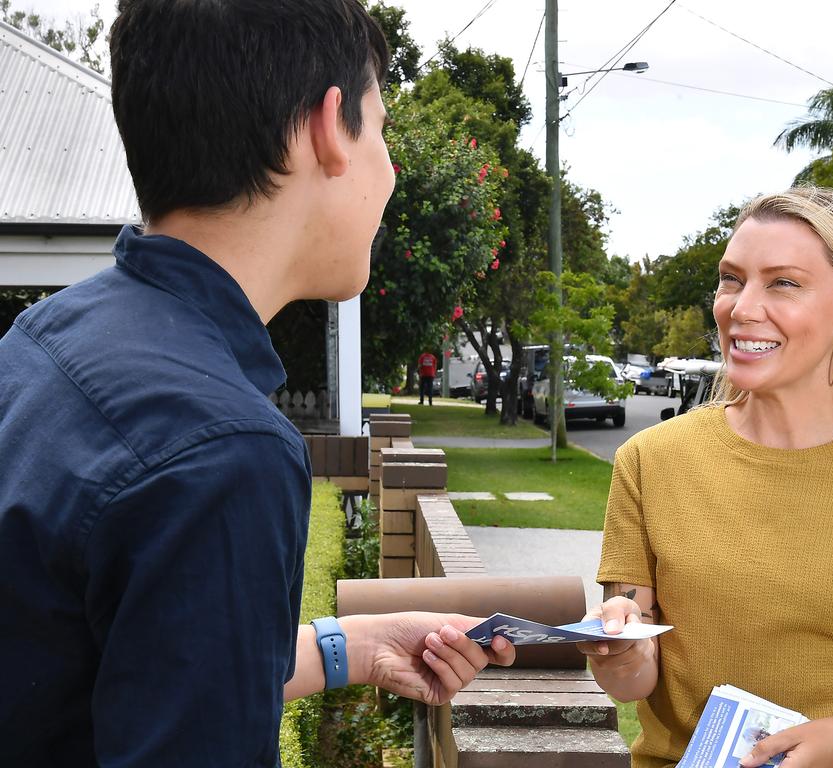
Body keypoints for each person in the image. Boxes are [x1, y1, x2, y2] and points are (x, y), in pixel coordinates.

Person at [0, 1, 514, 765]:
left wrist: (357, 645)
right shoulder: (221, 453)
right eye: (381, 129)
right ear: (324, 128)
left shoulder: (45, 336)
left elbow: (113, 666)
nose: (392, 171)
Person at [580, 187, 833, 768]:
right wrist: (617, 651)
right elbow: (632, 681)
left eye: (783, 283)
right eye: (731, 279)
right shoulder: (651, 460)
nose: (741, 308)